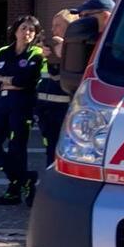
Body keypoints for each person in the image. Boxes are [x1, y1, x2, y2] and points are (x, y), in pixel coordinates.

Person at [0, 15, 44, 206]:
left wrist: (5, 79)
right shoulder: (3, 52)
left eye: (31, 30)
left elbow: (26, 81)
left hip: (22, 107)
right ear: (16, 30)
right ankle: (25, 179)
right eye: (23, 28)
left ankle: (14, 190)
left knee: (17, 148)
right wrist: (11, 81)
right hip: (1, 106)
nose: (27, 32)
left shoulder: (36, 54)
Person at [36, 9, 77, 168]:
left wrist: (63, 54)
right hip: (45, 111)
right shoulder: (49, 49)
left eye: (58, 25)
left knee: (59, 152)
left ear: (71, 27)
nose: (53, 30)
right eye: (52, 26)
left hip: (63, 111)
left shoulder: (76, 51)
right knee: (50, 150)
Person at [59, 0, 116, 94]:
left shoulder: (117, 44)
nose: (81, 21)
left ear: (106, 16)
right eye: (80, 16)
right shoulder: (84, 43)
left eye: (86, 16)